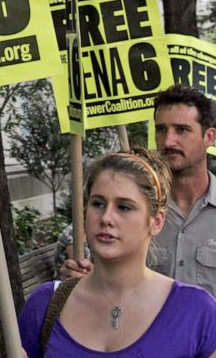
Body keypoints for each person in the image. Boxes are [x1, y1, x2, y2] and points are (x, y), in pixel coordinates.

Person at [19, 148, 216, 357]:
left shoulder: (195, 311)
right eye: (98, 204)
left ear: (156, 222)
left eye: (124, 207)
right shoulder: (45, 304)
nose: (106, 218)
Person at [61, 85, 216, 293]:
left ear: (210, 137)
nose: (168, 141)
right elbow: (76, 235)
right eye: (161, 130)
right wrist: (82, 270)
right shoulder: (135, 203)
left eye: (182, 130)